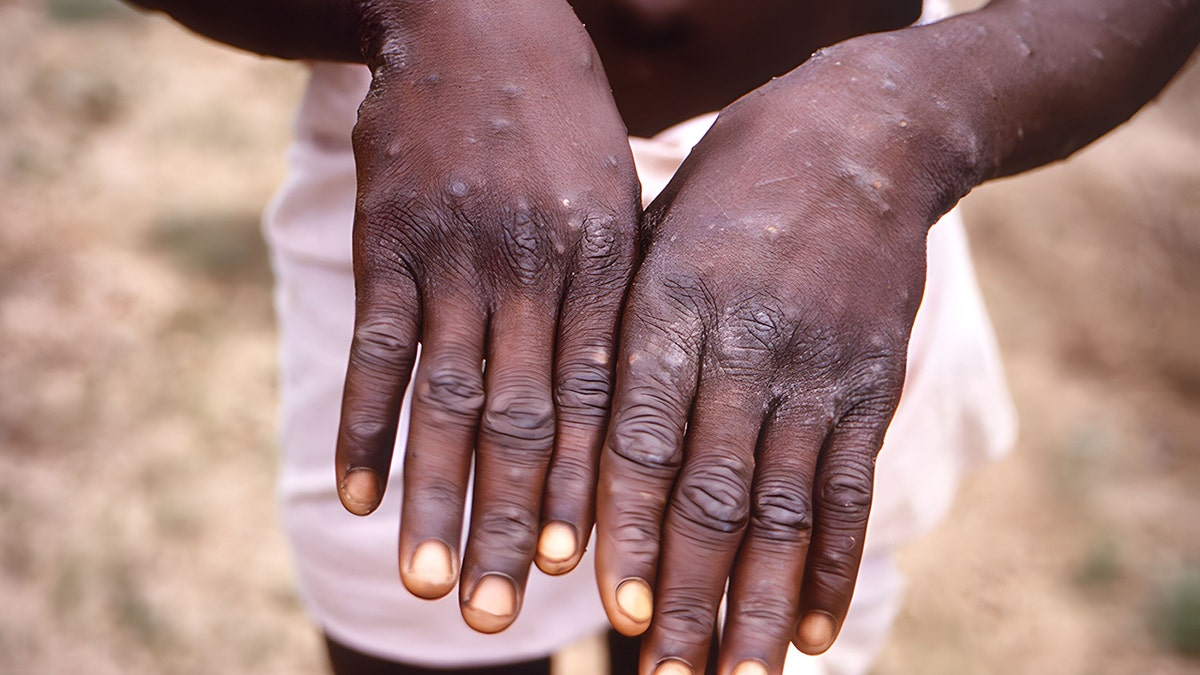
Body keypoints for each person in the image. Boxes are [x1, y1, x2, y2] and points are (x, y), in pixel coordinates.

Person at [122, 0, 1200, 673]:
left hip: (829, 240)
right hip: (456, 184)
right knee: (422, 624)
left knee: (724, 636)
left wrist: (902, 119)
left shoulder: (878, 150)